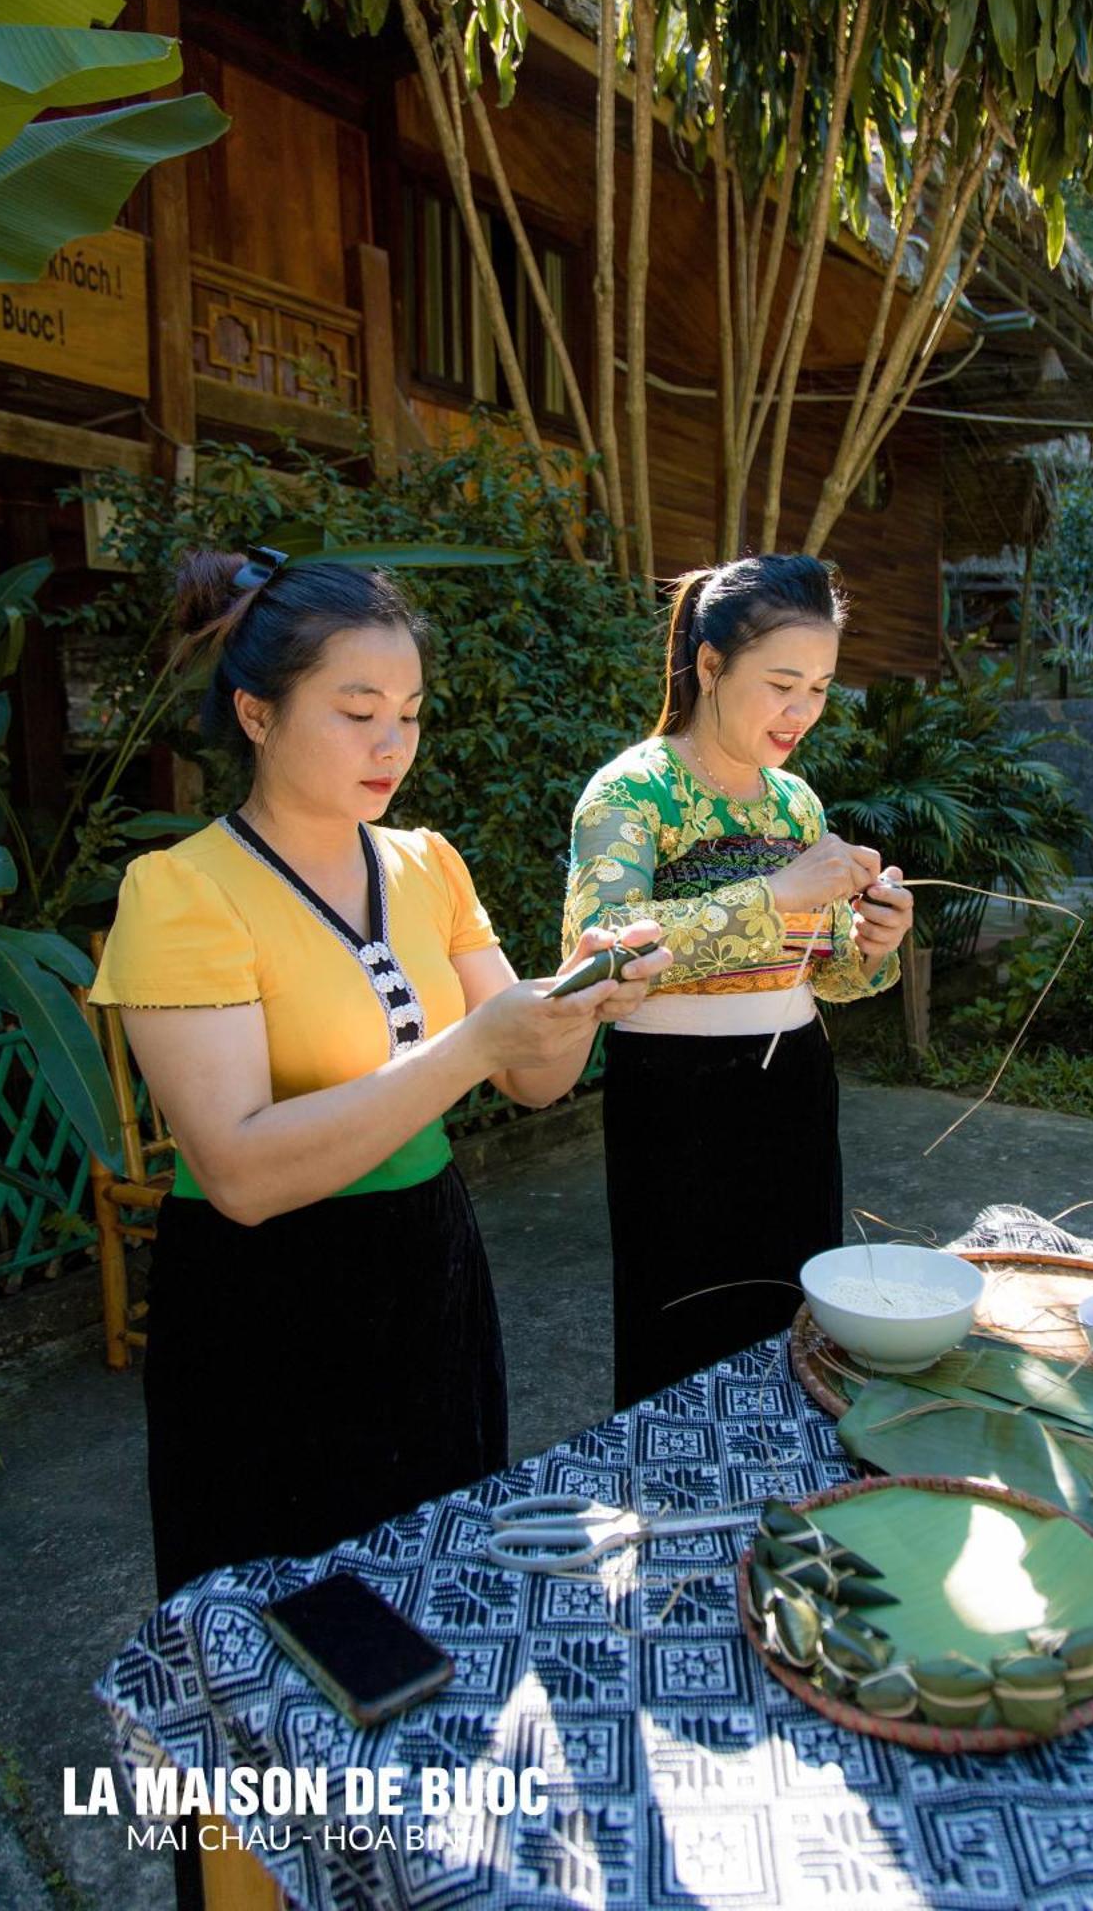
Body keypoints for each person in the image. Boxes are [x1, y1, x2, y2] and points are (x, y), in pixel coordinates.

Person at [90, 547, 669, 1606]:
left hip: (428, 1261)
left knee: (441, 1578)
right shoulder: (180, 891)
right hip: (265, 1297)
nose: (391, 743)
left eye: (407, 711)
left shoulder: (425, 862)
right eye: (357, 711)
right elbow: (242, 1171)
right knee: (290, 1612)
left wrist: (586, 996)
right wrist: (477, 1044)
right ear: (258, 713)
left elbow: (536, 1079)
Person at [563, 553, 913, 1408]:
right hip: (672, 1098)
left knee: (794, 1314)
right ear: (711, 665)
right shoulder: (631, 791)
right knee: (680, 1324)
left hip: (792, 1081)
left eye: (821, 690)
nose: (801, 714)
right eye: (781, 684)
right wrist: (778, 894)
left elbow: (827, 978)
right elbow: (595, 955)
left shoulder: (795, 803)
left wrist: (873, 940)